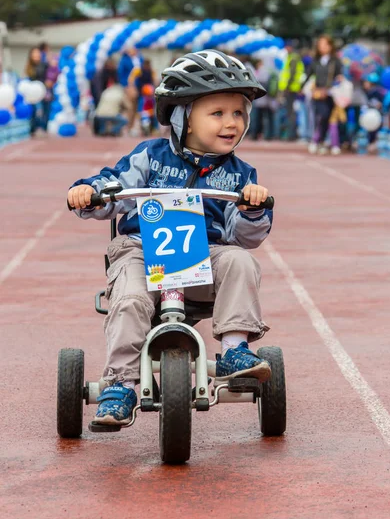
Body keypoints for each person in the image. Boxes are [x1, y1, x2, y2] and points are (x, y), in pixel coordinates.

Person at [67, 50, 273, 426]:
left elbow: (243, 236)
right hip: (142, 254)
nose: (232, 123)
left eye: (239, 113)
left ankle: (233, 349)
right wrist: (89, 192)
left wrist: (252, 209)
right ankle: (121, 383)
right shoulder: (151, 157)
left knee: (240, 260)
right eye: (218, 113)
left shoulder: (240, 175)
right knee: (129, 299)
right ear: (182, 118)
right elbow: (114, 185)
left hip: (204, 260)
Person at [303, 34, 342, 155]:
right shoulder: (315, 61)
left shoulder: (335, 61)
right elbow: (308, 75)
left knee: (329, 119)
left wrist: (339, 80)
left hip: (331, 94)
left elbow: (339, 76)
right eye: (320, 45)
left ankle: (322, 141)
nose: (323, 47)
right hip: (318, 94)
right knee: (322, 116)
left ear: (330, 46)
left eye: (325, 44)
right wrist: (301, 87)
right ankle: (317, 140)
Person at [277, 40, 304, 141]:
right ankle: (291, 133)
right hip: (291, 88)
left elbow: (292, 74)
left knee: (290, 112)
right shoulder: (292, 57)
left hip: (291, 89)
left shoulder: (293, 58)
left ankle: (291, 134)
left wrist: (287, 87)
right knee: (290, 112)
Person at [24, 46, 48, 137]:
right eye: (34, 53)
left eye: (37, 53)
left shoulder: (44, 65)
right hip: (31, 92)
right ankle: (33, 128)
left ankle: (42, 128)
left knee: (43, 110)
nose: (36, 55)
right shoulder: (29, 66)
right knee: (33, 111)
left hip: (42, 90)